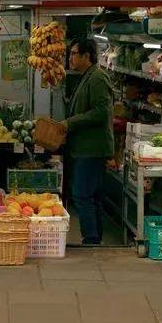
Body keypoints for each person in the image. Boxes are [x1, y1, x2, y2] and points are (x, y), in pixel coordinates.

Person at [63, 38, 114, 246]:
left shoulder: (98, 78)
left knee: (82, 195)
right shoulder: (87, 77)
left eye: (74, 53)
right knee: (90, 196)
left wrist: (71, 122)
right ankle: (94, 237)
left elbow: (102, 112)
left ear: (87, 56)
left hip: (92, 148)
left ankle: (91, 239)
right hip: (84, 147)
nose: (71, 58)